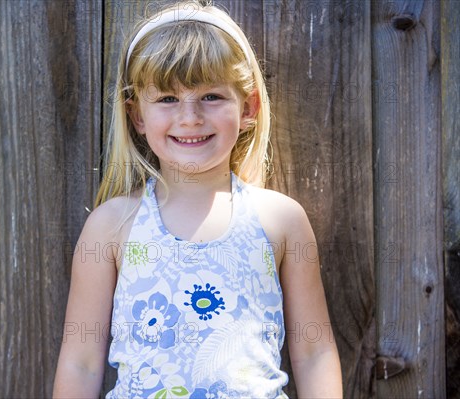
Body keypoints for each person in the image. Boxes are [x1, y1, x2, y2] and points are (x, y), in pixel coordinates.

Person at [53, 1, 342, 397]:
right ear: (137, 115)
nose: (190, 117)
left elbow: (314, 352)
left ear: (249, 107)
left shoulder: (280, 220)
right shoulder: (111, 226)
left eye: (211, 96)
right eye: (168, 99)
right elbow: (80, 361)